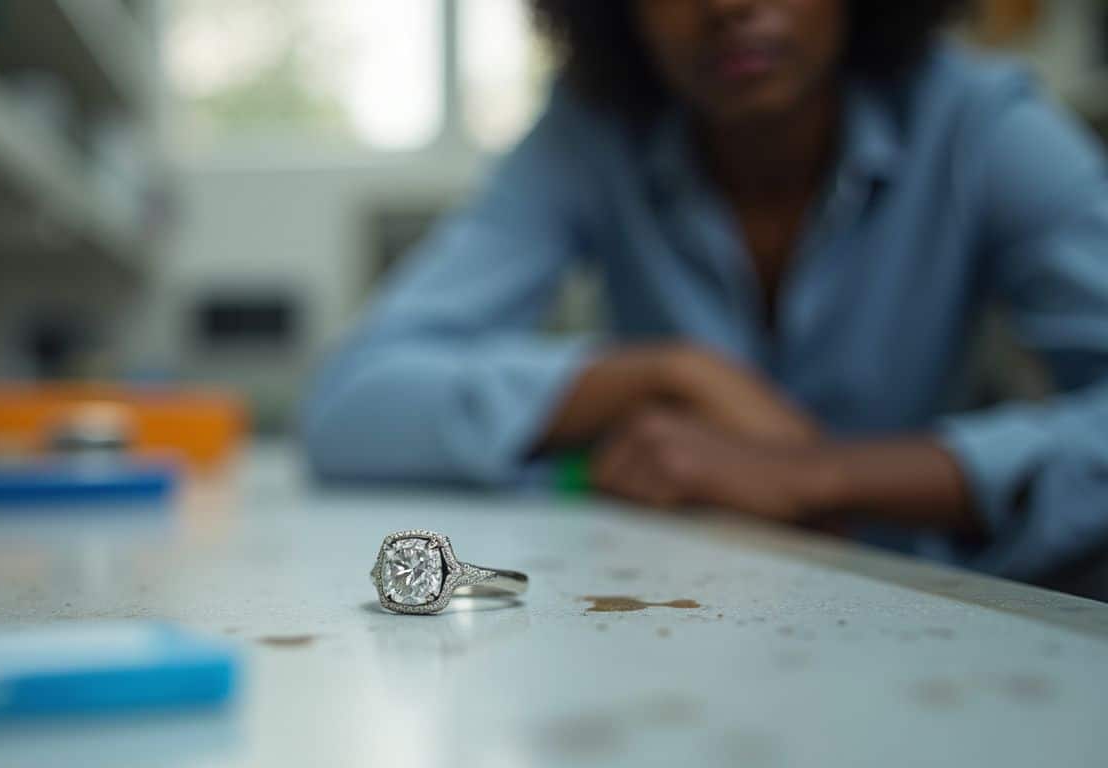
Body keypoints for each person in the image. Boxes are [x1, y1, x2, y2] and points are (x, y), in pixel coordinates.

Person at [302, 0, 1108, 594]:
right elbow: (349, 402)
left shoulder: (983, 126)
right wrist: (669, 374)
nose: (728, 6)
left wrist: (821, 476)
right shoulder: (592, 133)